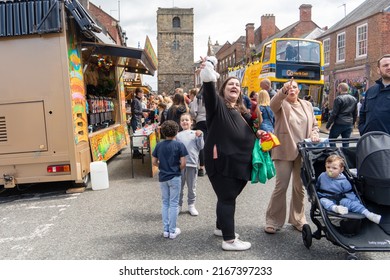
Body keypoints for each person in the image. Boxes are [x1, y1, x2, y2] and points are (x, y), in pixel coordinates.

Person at [200, 58, 263, 251]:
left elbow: (251, 127)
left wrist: (258, 132)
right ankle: (229, 240)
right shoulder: (217, 105)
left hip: (238, 162)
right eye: (230, 84)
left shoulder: (240, 109)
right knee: (227, 197)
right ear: (223, 90)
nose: (234, 86)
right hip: (223, 161)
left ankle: (221, 227)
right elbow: (209, 88)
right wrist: (209, 69)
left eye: (237, 84)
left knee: (227, 196)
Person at [265, 78, 320, 234]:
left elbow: (314, 125)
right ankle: (273, 220)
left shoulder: (307, 105)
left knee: (299, 187)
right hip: (284, 149)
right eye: (289, 87)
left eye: (295, 87)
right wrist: (282, 91)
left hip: (304, 151)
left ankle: (298, 219)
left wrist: (315, 133)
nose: (292, 89)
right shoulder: (282, 103)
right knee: (281, 186)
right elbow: (273, 104)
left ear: (299, 89)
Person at [316, 155, 381, 224]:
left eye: (334, 168)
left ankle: (369, 214)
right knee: (323, 201)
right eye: (328, 167)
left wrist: (355, 201)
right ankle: (335, 208)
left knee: (351, 203)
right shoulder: (322, 176)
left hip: (341, 199)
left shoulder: (343, 180)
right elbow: (317, 186)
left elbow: (349, 192)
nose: (330, 170)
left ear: (341, 170)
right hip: (326, 197)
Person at [152, 120, 188, 239]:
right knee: (174, 203)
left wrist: (163, 166)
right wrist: (175, 168)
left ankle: (166, 230)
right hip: (175, 176)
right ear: (177, 132)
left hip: (163, 177)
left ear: (162, 132)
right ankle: (172, 230)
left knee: (165, 203)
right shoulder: (179, 145)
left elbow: (154, 162)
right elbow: (183, 163)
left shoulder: (159, 145)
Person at [176, 113, 204, 216]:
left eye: (187, 120)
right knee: (179, 186)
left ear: (191, 122)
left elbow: (201, 147)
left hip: (192, 164)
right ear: (180, 123)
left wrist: (200, 136)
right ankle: (178, 205)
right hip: (180, 165)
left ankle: (191, 205)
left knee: (192, 187)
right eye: (182, 120)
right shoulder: (177, 135)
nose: (184, 122)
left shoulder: (195, 133)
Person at [358, 54, 390, 135]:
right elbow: (362, 113)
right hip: (371, 141)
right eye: (385, 65)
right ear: (378, 70)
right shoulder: (371, 90)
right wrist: (363, 130)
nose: (389, 67)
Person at [326, 83, 357, 147]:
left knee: (331, 139)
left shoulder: (338, 99)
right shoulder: (354, 99)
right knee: (346, 142)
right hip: (349, 123)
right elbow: (355, 113)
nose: (337, 89)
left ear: (340, 88)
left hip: (339, 123)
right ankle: (345, 156)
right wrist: (353, 123)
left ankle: (335, 154)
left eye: (337, 88)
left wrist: (328, 125)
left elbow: (334, 113)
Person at [190, 87, 207, 177]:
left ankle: (201, 167)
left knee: (202, 144)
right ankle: (210, 166)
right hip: (211, 121)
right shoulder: (213, 96)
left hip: (200, 121)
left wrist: (195, 117)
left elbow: (193, 111)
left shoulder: (198, 97)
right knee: (210, 143)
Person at [130, 87, 151, 158]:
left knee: (138, 137)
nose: (143, 94)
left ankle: (137, 152)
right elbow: (134, 111)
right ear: (139, 93)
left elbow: (140, 109)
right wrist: (142, 113)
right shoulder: (135, 100)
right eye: (142, 93)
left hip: (137, 120)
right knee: (136, 137)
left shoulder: (137, 100)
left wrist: (148, 110)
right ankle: (135, 154)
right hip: (135, 120)